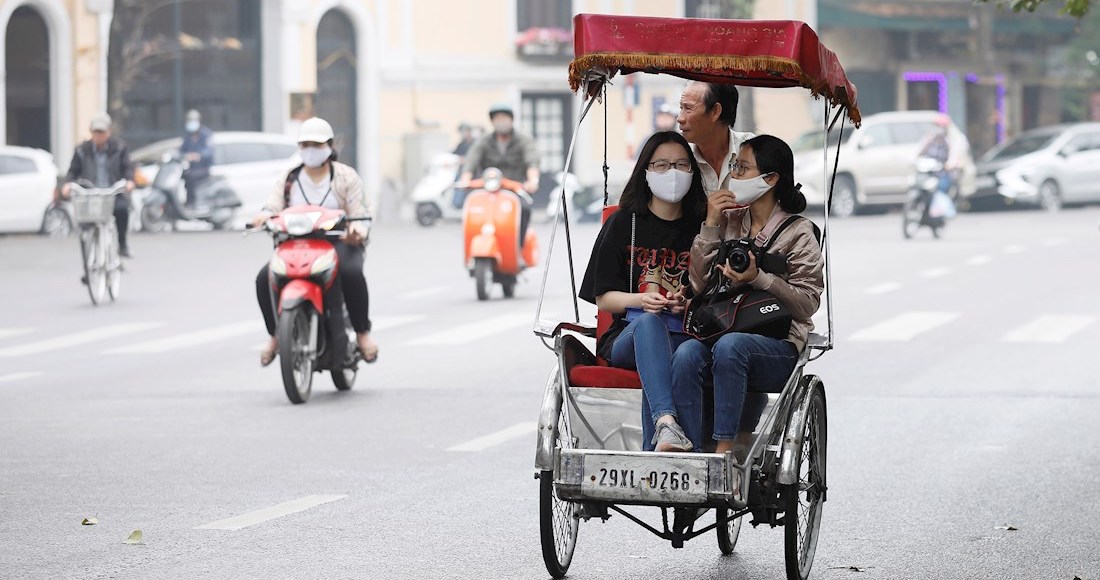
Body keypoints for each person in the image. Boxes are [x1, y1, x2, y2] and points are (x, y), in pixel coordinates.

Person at [672, 135, 824, 455]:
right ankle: (689, 448)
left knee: (732, 347)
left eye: (741, 168)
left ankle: (724, 451)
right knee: (686, 354)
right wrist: (711, 224)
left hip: (779, 346)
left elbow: (808, 303)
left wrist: (759, 278)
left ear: (770, 179)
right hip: (723, 330)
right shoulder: (730, 221)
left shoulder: (799, 232)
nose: (734, 175)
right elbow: (698, 286)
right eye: (734, 166)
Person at [579, 131, 708, 452]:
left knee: (687, 358)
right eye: (661, 165)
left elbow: (716, 290)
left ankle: (687, 460)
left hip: (684, 334)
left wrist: (686, 301)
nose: (672, 173)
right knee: (649, 324)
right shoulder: (624, 222)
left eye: (680, 165)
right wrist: (642, 301)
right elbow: (604, 297)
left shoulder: (703, 226)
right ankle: (666, 423)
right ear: (646, 171)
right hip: (631, 336)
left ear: (693, 171)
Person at [250, 117, 379, 367]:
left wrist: (357, 230)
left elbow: (360, 211)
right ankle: (276, 335)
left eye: (317, 144)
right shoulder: (290, 178)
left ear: (330, 147)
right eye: (306, 144)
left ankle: (363, 333)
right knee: (263, 278)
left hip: (337, 241)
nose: (311, 149)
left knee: (351, 273)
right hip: (296, 244)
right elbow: (272, 206)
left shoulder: (345, 177)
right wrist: (263, 216)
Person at [458, 103, 539, 246]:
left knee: (524, 209)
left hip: (515, 190)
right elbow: (472, 159)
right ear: (492, 121)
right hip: (488, 190)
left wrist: (533, 180)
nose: (501, 121)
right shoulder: (484, 141)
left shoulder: (523, 140)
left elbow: (532, 160)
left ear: (511, 120)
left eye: (504, 118)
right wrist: (466, 178)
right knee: (473, 210)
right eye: (497, 118)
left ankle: (517, 247)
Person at [62, 113, 136, 258]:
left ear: (109, 132)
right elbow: (73, 171)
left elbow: (128, 168)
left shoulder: (119, 148)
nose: (98, 135)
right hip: (90, 195)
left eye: (101, 132)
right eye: (96, 132)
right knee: (84, 227)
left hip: (112, 193)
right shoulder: (81, 150)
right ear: (91, 132)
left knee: (122, 211)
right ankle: (88, 265)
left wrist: (129, 181)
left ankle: (122, 244)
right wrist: (67, 184)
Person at [677, 81, 755, 197]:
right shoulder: (679, 159)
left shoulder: (752, 150)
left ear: (715, 112)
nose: (680, 118)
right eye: (681, 108)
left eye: (688, 108)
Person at [179, 109, 214, 208]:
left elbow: (209, 151)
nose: (191, 123)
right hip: (191, 168)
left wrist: (198, 155)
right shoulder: (187, 136)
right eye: (189, 121)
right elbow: (182, 150)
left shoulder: (206, 134)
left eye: (193, 120)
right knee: (182, 176)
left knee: (191, 177)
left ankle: (192, 203)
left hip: (203, 169)